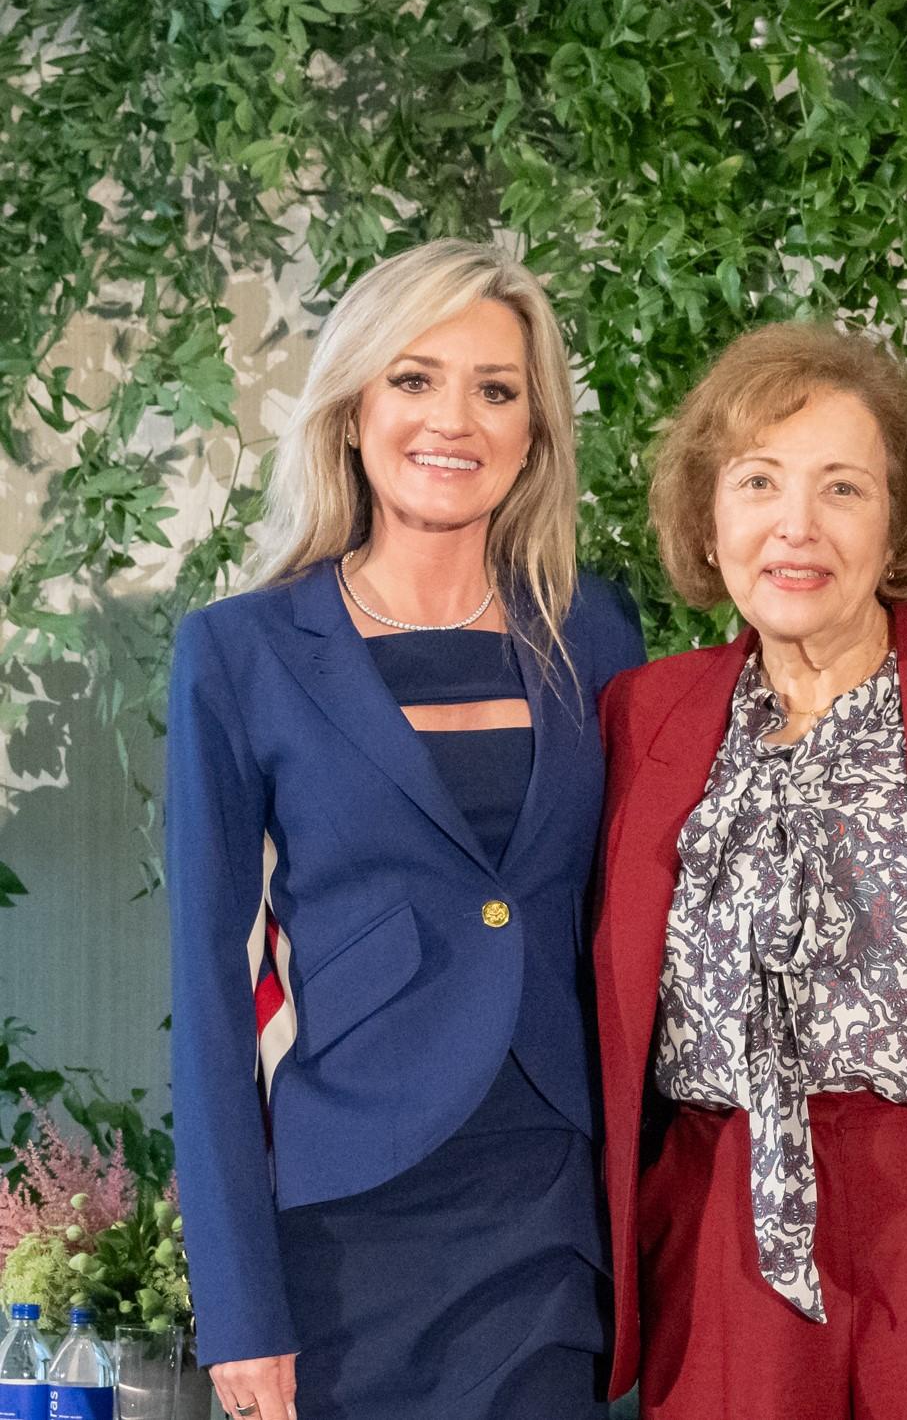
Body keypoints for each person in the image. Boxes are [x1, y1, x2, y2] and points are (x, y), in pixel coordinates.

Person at [166, 239, 644, 1420]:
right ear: (353, 407)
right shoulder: (241, 651)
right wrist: (238, 1304)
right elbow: (211, 990)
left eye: (497, 388)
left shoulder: (596, 632)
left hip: (546, 1199)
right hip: (340, 1229)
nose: (456, 419)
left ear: (534, 429)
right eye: (415, 378)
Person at [590, 323, 907, 1417]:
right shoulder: (639, 716)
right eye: (758, 482)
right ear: (710, 517)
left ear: (894, 523)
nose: (795, 526)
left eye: (843, 487)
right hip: (717, 1213)